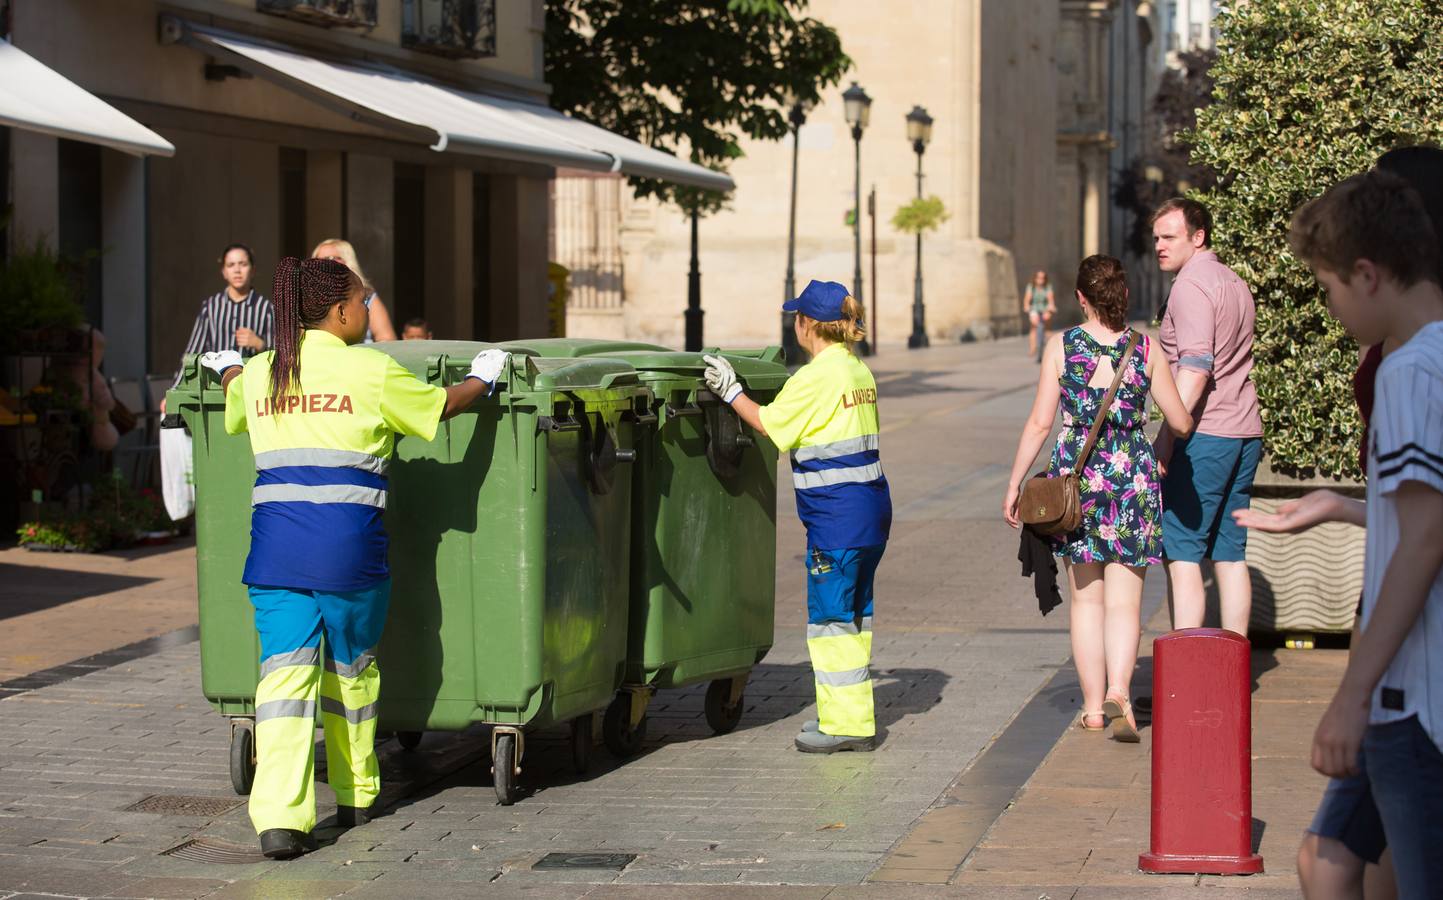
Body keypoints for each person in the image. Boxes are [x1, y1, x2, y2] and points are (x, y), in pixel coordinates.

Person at [197, 256, 508, 860]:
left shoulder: (266, 372)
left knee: (282, 685)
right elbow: (439, 408)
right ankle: (358, 792)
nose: (367, 311)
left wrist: (231, 366)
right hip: (350, 559)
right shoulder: (370, 371)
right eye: (363, 302)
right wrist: (484, 380)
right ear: (340, 312)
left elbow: (235, 400)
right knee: (351, 674)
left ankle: (281, 821)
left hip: (276, 560)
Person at [1239, 169, 1443, 899]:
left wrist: (1352, 695)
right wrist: (1347, 506)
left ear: (1366, 273)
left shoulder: (1410, 371)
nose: (1327, 308)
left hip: (1411, 702)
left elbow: (1423, 541)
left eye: (1327, 288)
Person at [1004, 255, 1192, 740]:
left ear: (1081, 298)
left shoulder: (1062, 347)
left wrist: (1015, 484)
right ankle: (1119, 694)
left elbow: (1041, 423)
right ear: (1123, 296)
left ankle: (1090, 708)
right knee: (1126, 605)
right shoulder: (1146, 349)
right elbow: (1180, 421)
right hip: (1131, 478)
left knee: (1086, 602)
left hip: (1077, 482)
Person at [704, 279, 891, 753]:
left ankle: (846, 726)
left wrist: (729, 391)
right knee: (853, 616)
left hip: (837, 519)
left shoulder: (815, 378)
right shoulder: (857, 371)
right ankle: (846, 715)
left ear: (808, 324)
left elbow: (769, 424)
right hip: (869, 511)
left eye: (797, 317)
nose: (794, 324)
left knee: (830, 622)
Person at [1150, 198, 1263, 636]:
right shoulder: (1232, 281)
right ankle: (1228, 679)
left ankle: (1186, 683)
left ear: (1198, 237)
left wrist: (1169, 436)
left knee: (1182, 555)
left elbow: (1196, 367)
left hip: (1205, 434)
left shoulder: (1191, 286)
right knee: (1230, 555)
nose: (1160, 245)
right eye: (1157, 237)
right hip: (1244, 430)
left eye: (1169, 237)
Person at [163, 244, 273, 412]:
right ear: (223, 272)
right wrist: (174, 391)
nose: (237, 270)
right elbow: (193, 353)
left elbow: (280, 357)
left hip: (252, 396)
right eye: (231, 265)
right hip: (214, 393)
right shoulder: (210, 307)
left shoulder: (266, 308)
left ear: (253, 270)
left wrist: (260, 344)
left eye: (243, 264)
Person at [312, 239, 398, 342]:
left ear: (348, 260)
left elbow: (386, 337)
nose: (326, 263)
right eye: (320, 260)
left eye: (332, 258)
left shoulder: (367, 296)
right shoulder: (309, 298)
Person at [1022, 269, 1056, 358]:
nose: (1040, 280)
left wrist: (1051, 307)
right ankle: (1032, 348)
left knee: (1047, 327)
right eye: (1038, 278)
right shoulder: (1031, 287)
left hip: (1045, 308)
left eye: (1042, 278)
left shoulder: (1047, 286)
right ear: (1035, 278)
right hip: (1034, 308)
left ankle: (1050, 347)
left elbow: (1050, 299)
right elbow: (1027, 299)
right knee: (1033, 326)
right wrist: (1026, 307)